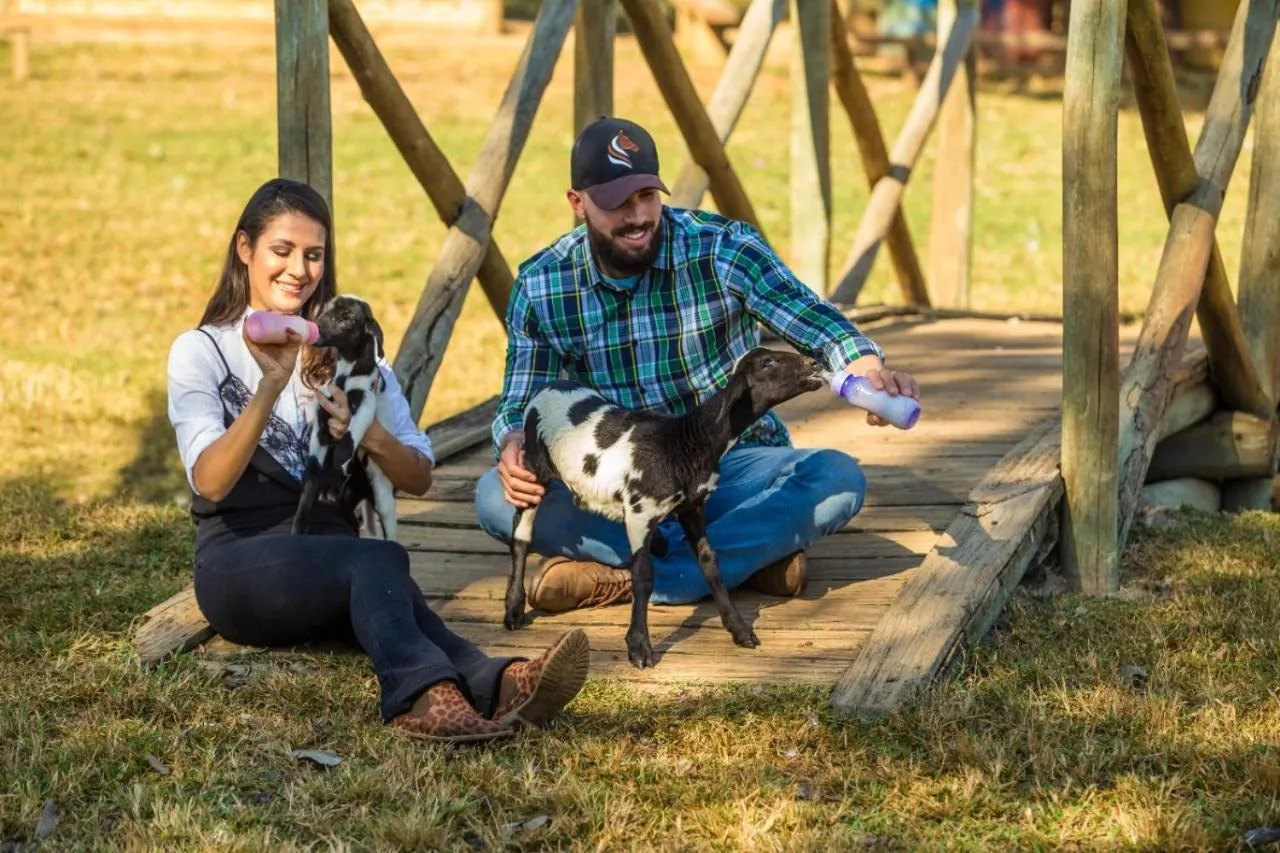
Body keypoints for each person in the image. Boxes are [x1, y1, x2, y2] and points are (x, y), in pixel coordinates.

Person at [166, 177, 590, 744]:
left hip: (328, 563)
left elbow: (418, 476)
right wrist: (270, 384)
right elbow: (212, 482)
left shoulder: (352, 354)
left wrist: (366, 435)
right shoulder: (201, 351)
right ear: (245, 249)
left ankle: (497, 682)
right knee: (373, 562)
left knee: (389, 584)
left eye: (314, 255)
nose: (299, 270)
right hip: (240, 565)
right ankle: (419, 698)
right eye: (282, 251)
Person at [474, 117, 921, 614]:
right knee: (494, 498)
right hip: (616, 483)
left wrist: (864, 366)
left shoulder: (722, 246)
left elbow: (809, 317)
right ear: (577, 204)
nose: (638, 215)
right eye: (617, 202)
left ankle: (649, 578)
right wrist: (514, 444)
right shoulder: (542, 283)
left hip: (727, 466)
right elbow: (524, 398)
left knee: (837, 480)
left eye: (646, 195)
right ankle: (739, 562)